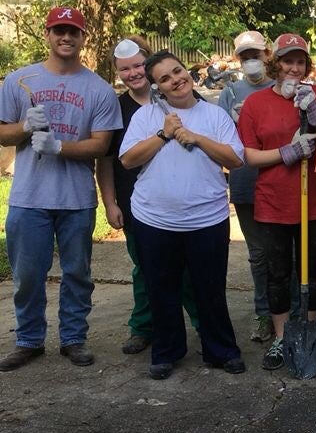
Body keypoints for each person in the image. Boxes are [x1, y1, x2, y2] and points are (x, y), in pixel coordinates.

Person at [0, 7, 122, 372]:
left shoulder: (99, 89)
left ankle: (73, 338)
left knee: (77, 274)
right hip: (28, 197)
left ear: (83, 37)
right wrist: (24, 127)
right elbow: (3, 133)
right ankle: (29, 340)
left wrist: (58, 147)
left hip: (76, 199)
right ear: (47, 34)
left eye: (73, 31)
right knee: (27, 276)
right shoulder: (19, 80)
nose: (65, 37)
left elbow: (101, 145)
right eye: (58, 30)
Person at [118, 50, 246, 379]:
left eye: (177, 71)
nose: (175, 80)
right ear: (157, 87)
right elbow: (128, 159)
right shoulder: (146, 117)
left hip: (207, 219)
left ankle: (221, 350)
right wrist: (163, 134)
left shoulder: (214, 115)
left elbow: (235, 159)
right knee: (162, 290)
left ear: (186, 71)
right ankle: (167, 352)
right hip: (154, 220)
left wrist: (198, 138)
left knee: (210, 289)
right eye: (165, 78)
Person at [237, 33, 316, 371]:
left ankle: (309, 331)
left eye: (300, 62)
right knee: (278, 273)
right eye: (287, 61)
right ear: (274, 64)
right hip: (274, 203)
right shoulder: (256, 104)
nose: (293, 68)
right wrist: (288, 152)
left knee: (313, 270)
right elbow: (250, 156)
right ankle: (282, 337)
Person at [97, 37, 201, 354]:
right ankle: (144, 327)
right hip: (136, 206)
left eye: (139, 65)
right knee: (145, 268)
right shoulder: (117, 109)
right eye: (124, 69)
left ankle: (204, 324)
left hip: (182, 203)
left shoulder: (182, 98)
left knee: (189, 269)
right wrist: (110, 203)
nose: (133, 73)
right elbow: (107, 161)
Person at [218, 30, 299, 344]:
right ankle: (265, 314)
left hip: (284, 183)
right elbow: (223, 139)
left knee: (289, 255)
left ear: (268, 55)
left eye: (256, 55)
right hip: (246, 183)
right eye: (245, 56)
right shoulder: (231, 92)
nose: (251, 61)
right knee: (260, 255)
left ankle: (296, 314)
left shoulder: (285, 87)